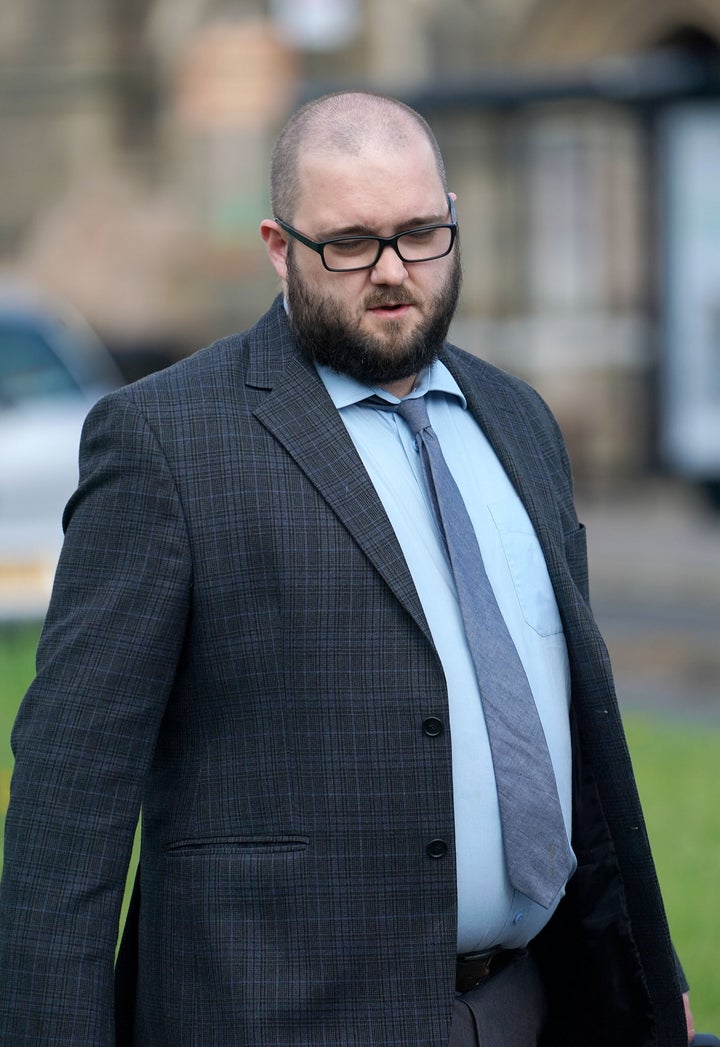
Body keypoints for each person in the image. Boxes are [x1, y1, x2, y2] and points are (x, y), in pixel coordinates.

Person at [0, 91, 695, 1046]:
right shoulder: (165, 442)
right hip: (279, 1021)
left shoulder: (521, 421)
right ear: (279, 247)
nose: (393, 271)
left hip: (531, 1005)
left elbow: (575, 743)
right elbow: (66, 807)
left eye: (420, 234)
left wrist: (654, 976)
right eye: (351, 243)